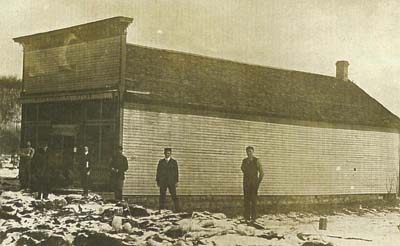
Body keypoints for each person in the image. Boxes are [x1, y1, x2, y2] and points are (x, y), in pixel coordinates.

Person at [241, 146, 264, 223]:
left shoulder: (257, 161)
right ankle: (246, 217)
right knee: (246, 201)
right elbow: (243, 169)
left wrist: (258, 183)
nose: (248, 153)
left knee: (253, 201)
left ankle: (254, 218)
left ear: (253, 152)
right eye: (247, 151)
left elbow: (262, 173)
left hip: (254, 184)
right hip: (246, 184)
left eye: (250, 151)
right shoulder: (244, 161)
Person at [156, 148, 179, 212]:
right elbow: (158, 172)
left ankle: (177, 209)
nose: (167, 154)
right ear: (164, 153)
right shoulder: (161, 162)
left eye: (169, 153)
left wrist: (176, 181)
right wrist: (158, 180)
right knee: (162, 196)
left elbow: (176, 172)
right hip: (163, 182)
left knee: (174, 195)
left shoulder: (174, 162)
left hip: (171, 181)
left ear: (170, 154)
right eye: (166, 153)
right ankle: (161, 209)